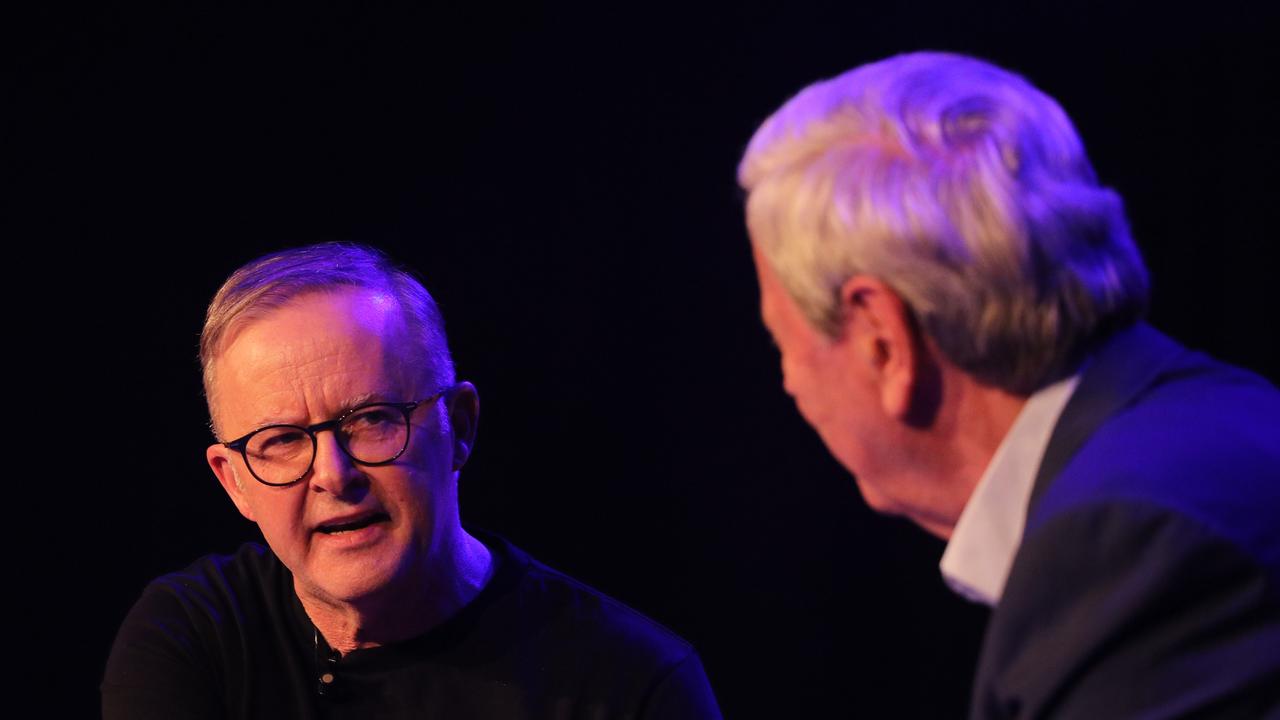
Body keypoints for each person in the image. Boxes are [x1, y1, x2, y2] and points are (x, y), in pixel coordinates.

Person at [738, 51, 1279, 717]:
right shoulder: (1227, 417)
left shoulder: (1128, 542)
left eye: (780, 337)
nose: (788, 380)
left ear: (884, 341)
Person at [102, 243, 721, 719]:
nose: (334, 476)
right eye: (283, 441)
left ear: (460, 425)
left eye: (372, 420)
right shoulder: (191, 637)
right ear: (233, 481)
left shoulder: (633, 684)